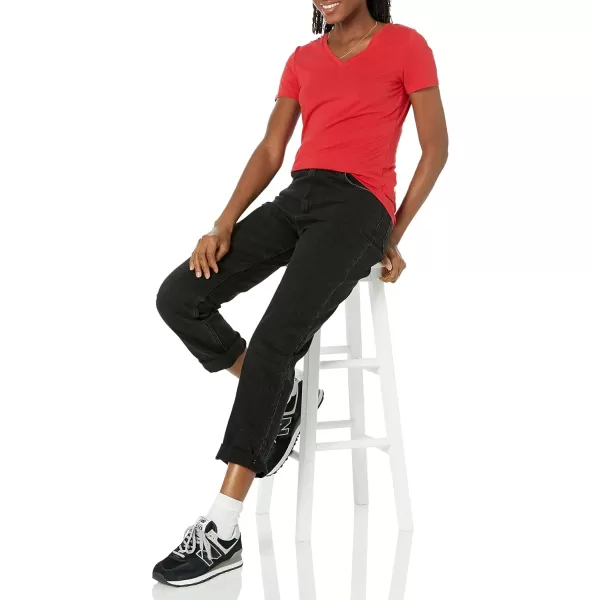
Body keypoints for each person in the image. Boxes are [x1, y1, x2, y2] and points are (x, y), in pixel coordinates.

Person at [152, 0, 448, 588]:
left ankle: (223, 528)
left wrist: (391, 235)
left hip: (359, 209)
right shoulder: (302, 58)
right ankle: (282, 391)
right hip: (298, 199)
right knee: (180, 295)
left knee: (274, 341)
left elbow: (435, 149)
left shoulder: (406, 45)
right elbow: (271, 149)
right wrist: (223, 223)